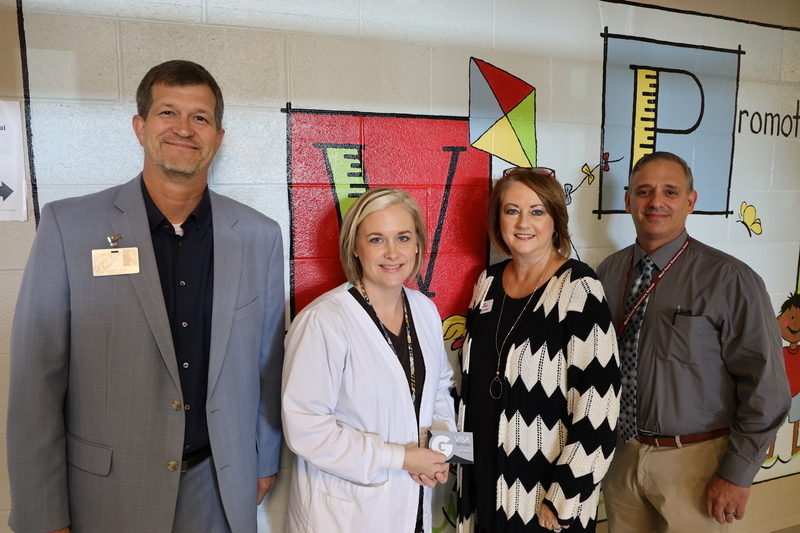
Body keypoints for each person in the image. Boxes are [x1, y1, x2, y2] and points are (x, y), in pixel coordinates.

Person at [7, 60, 285, 533]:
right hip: (107, 494)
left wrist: (263, 460)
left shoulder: (259, 236)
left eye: (200, 117)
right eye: (168, 112)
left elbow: (267, 363)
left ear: (218, 137)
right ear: (140, 127)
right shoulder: (68, 227)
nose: (184, 129)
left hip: (218, 488)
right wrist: (42, 515)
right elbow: (37, 380)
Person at [596, 151, 791, 532]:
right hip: (621, 456)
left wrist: (736, 474)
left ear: (690, 201)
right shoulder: (609, 271)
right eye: (644, 191)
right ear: (628, 200)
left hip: (695, 462)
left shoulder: (730, 279)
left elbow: (767, 389)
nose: (656, 202)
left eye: (670, 191)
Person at [282, 186, 457, 533]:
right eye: (377, 240)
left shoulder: (424, 310)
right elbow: (306, 428)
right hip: (344, 514)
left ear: (418, 244)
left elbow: (439, 388)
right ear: (355, 247)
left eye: (403, 238)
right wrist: (402, 458)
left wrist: (439, 447)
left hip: (412, 503)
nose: (392, 252)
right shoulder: (324, 321)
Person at [456, 167, 620, 533]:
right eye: (511, 210)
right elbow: (470, 389)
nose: (523, 223)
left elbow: (600, 405)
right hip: (483, 479)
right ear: (498, 220)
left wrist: (564, 497)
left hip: (542, 493)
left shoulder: (579, 288)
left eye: (537, 211)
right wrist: (456, 461)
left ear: (555, 221)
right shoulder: (487, 283)